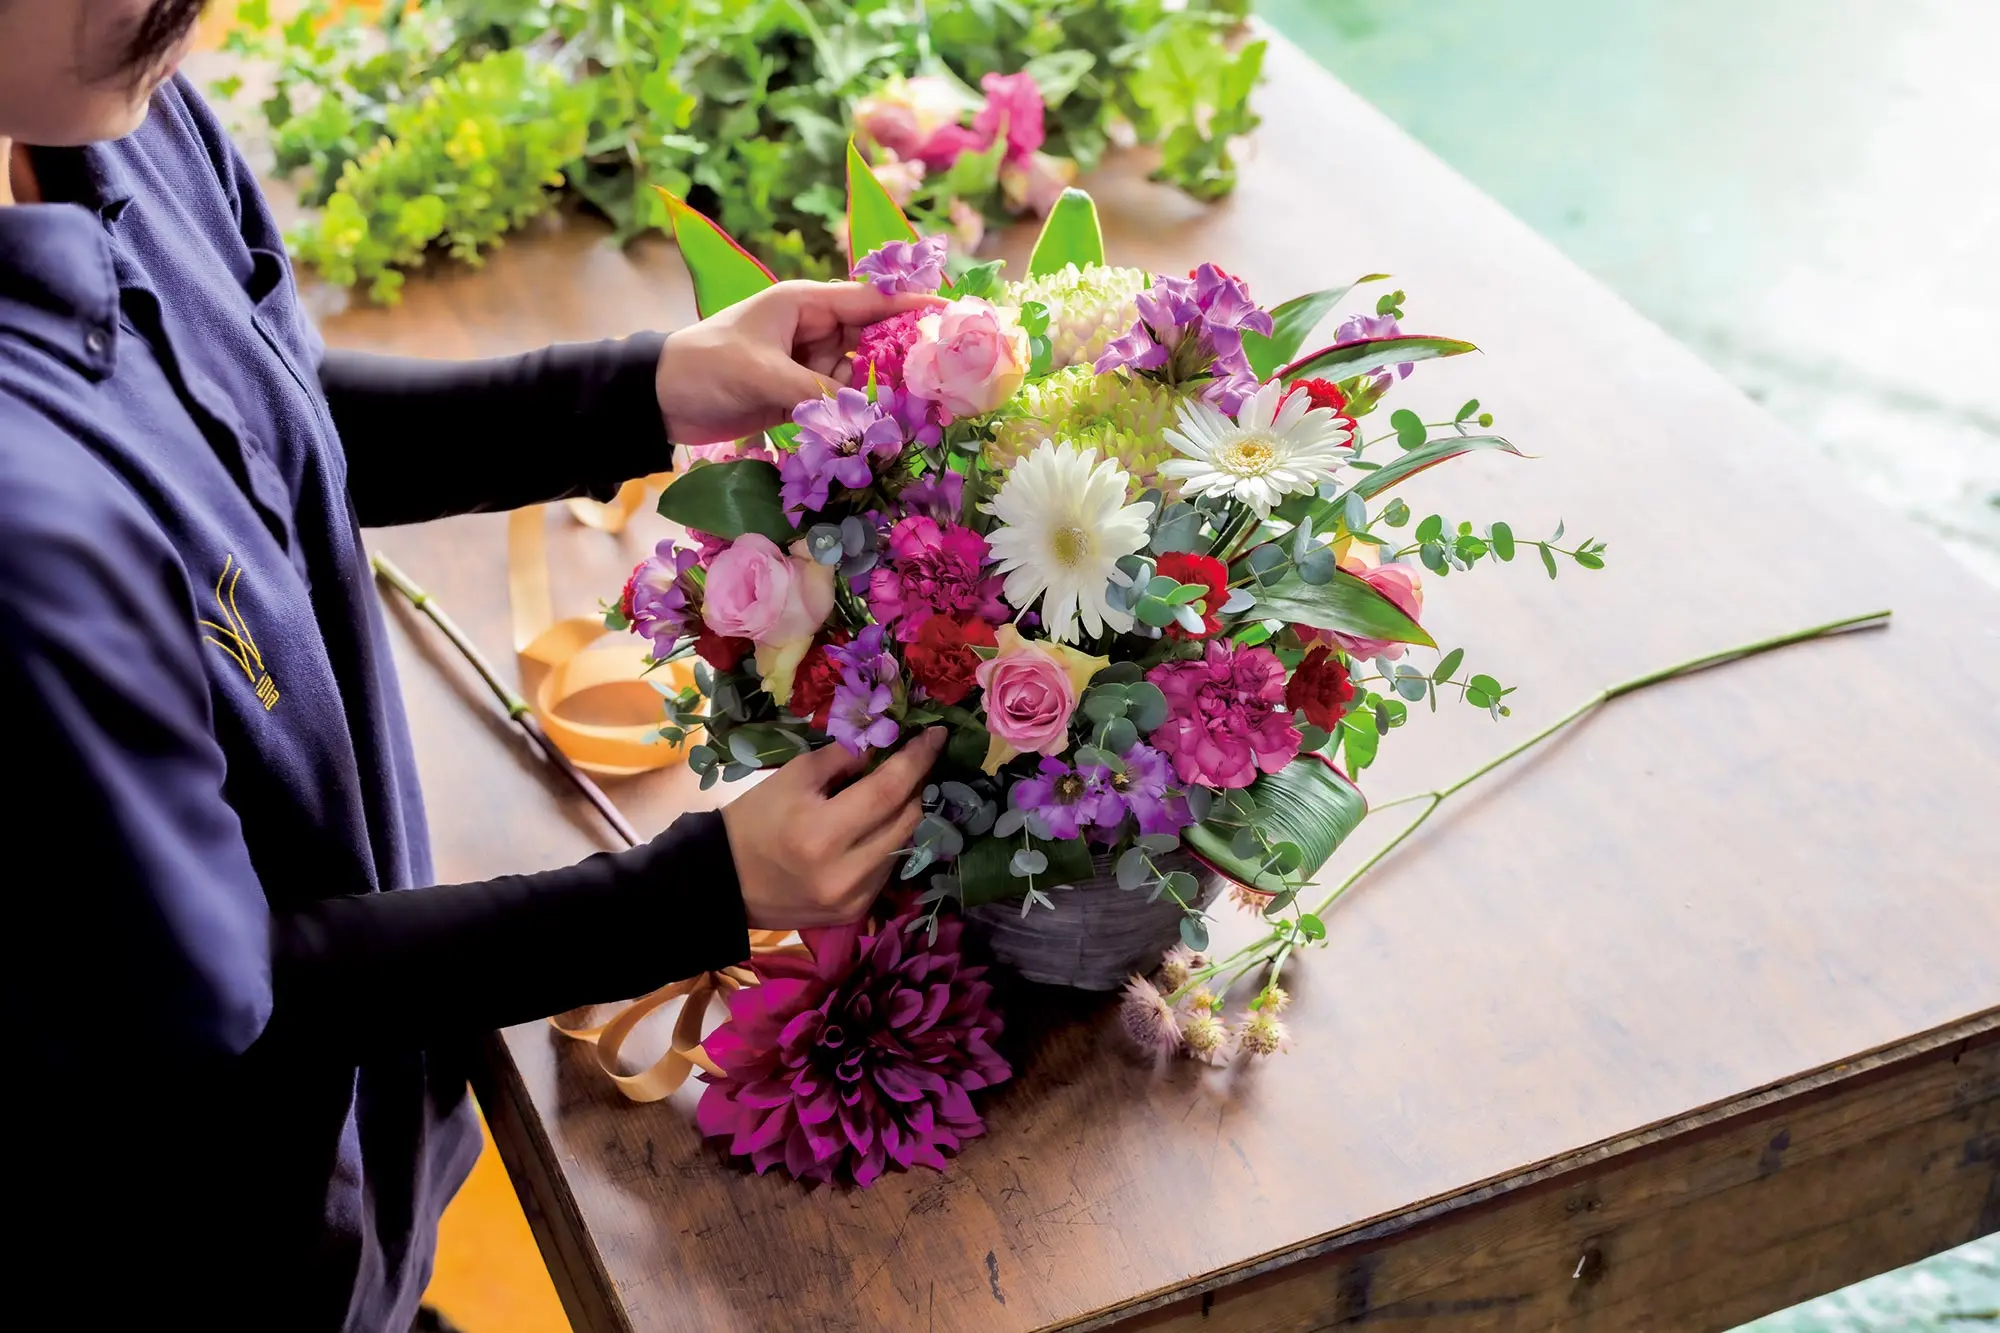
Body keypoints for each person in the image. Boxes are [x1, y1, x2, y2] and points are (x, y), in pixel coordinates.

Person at [0, 2, 946, 1327]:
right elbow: (234, 993)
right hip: (210, 1243)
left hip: (370, 1120)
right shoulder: (23, 533)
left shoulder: (90, 104)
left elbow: (267, 410)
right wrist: (695, 893)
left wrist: (641, 390)